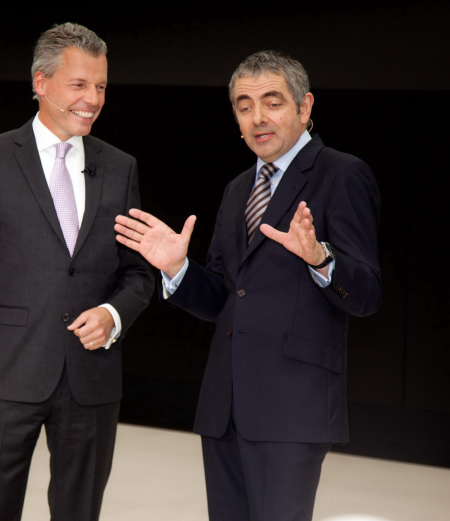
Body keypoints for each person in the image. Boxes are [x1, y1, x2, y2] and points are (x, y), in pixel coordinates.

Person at [115, 50, 382, 520]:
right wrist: (178, 269)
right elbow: (224, 297)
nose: (258, 117)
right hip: (225, 407)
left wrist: (321, 258)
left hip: (292, 408)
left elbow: (366, 295)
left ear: (304, 107)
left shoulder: (341, 174)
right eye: (244, 106)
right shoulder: (239, 187)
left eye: (272, 102)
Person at [0, 22, 154, 521]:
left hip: (91, 380)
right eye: (79, 85)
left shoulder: (121, 167)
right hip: (7, 377)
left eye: (100, 86)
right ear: (40, 82)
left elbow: (138, 275)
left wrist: (112, 314)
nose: (93, 99)